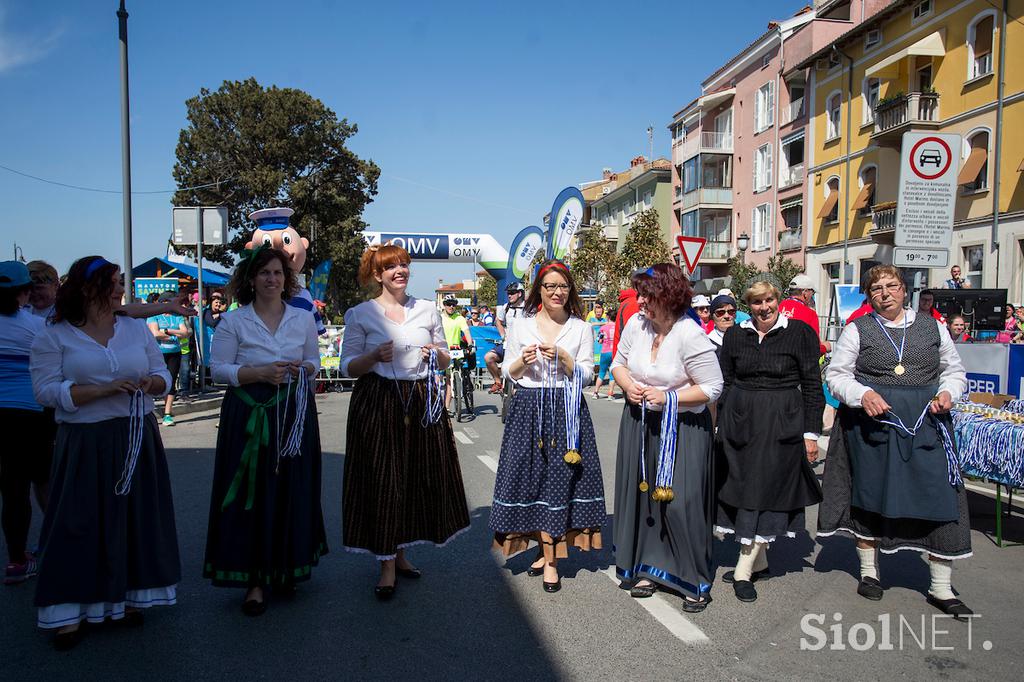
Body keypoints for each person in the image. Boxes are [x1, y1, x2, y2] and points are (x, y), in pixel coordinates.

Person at [30, 256, 180, 649]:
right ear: (86, 287)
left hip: (135, 435)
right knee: (77, 521)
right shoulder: (56, 333)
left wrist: (151, 382)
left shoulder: (133, 328)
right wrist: (100, 390)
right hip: (83, 440)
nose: (119, 290)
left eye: (119, 283)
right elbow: (45, 391)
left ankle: (127, 600)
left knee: (133, 518)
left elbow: (163, 375)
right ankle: (67, 612)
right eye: (112, 283)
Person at [821, 265, 973, 619]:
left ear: (905, 291)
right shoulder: (858, 330)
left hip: (927, 422)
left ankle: (940, 587)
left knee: (940, 496)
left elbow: (954, 370)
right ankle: (870, 572)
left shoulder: (932, 326)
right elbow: (837, 374)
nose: (885, 292)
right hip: (874, 425)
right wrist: (863, 394)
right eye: (876, 288)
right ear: (868, 295)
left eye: (892, 286)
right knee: (870, 494)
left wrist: (949, 392)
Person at [340, 244, 469, 600]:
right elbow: (346, 367)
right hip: (378, 399)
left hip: (420, 398)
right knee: (384, 478)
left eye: (404, 265)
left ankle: (400, 555)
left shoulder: (427, 310)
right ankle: (384, 565)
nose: (400, 271)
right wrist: (371, 357)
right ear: (377, 275)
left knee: (413, 477)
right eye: (391, 267)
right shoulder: (362, 314)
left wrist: (437, 354)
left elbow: (445, 359)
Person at [204, 246, 327, 616]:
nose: (272, 279)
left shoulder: (301, 319)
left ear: (286, 279)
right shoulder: (234, 321)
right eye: (265, 273)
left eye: (277, 273)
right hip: (249, 410)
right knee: (251, 493)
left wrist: (301, 368)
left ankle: (285, 567)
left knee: (291, 488)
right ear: (252, 279)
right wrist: (257, 373)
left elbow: (315, 363)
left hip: (292, 410)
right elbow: (218, 369)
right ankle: (254, 580)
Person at [611, 264, 722, 610]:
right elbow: (619, 363)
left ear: (668, 296)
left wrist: (669, 397)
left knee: (680, 502)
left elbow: (713, 387)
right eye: (640, 293)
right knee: (644, 498)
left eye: (647, 294)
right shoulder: (636, 324)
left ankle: (693, 579)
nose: (640, 301)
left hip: (683, 429)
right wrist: (628, 386)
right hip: (640, 422)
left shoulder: (689, 333)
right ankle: (648, 568)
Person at [491, 259, 604, 593]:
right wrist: (521, 363)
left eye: (563, 286)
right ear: (538, 290)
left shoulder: (581, 328)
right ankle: (543, 548)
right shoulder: (521, 325)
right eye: (550, 286)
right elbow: (510, 374)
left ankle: (551, 562)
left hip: (566, 408)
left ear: (570, 290)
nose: (557, 292)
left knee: (559, 480)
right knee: (531, 479)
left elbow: (589, 375)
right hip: (528, 405)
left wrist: (569, 362)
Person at [715, 280, 823, 603]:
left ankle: (743, 569)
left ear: (779, 301)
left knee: (766, 488)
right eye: (757, 302)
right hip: (740, 422)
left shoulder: (800, 333)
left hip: (781, 422)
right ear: (749, 305)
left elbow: (812, 385)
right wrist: (720, 424)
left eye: (769, 300)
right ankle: (757, 558)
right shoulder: (735, 335)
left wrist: (811, 433)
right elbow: (726, 382)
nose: (764, 307)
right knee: (743, 487)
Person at [0, 262, 54, 585]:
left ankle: (16, 561)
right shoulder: (35, 327)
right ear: (23, 293)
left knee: (12, 489)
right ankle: (58, 540)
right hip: (34, 413)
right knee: (43, 480)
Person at [148, 293, 190, 426]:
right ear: (163, 302)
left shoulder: (178, 317)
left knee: (171, 381)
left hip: (175, 353)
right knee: (152, 381)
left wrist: (167, 331)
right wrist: (175, 334)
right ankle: (149, 411)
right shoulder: (154, 316)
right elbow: (155, 333)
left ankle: (167, 414)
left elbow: (185, 333)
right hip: (157, 353)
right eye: (170, 302)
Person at [486, 281, 526, 394]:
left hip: (522, 347)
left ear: (520, 294)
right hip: (507, 345)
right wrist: (503, 334)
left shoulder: (528, 308)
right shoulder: (505, 307)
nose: (509, 295)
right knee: (488, 358)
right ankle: (498, 382)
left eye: (512, 293)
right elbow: (498, 321)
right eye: (508, 293)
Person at [778, 274, 830, 355]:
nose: (812, 296)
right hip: (795, 363)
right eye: (812, 293)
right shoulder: (810, 314)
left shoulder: (777, 308)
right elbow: (813, 348)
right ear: (805, 293)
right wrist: (825, 347)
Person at [440, 294, 473, 411]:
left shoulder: (460, 318)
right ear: (444, 305)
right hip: (443, 351)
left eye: (453, 304)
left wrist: (470, 345)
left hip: (455, 350)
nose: (451, 307)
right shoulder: (440, 318)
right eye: (448, 304)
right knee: (442, 379)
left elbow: (467, 332)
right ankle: (441, 405)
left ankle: (447, 406)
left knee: (451, 378)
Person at [593, 315, 616, 399]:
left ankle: (595, 392)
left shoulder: (603, 328)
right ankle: (610, 394)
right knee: (612, 374)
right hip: (614, 352)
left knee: (601, 372)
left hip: (605, 352)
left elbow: (599, 340)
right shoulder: (618, 328)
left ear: (608, 317)